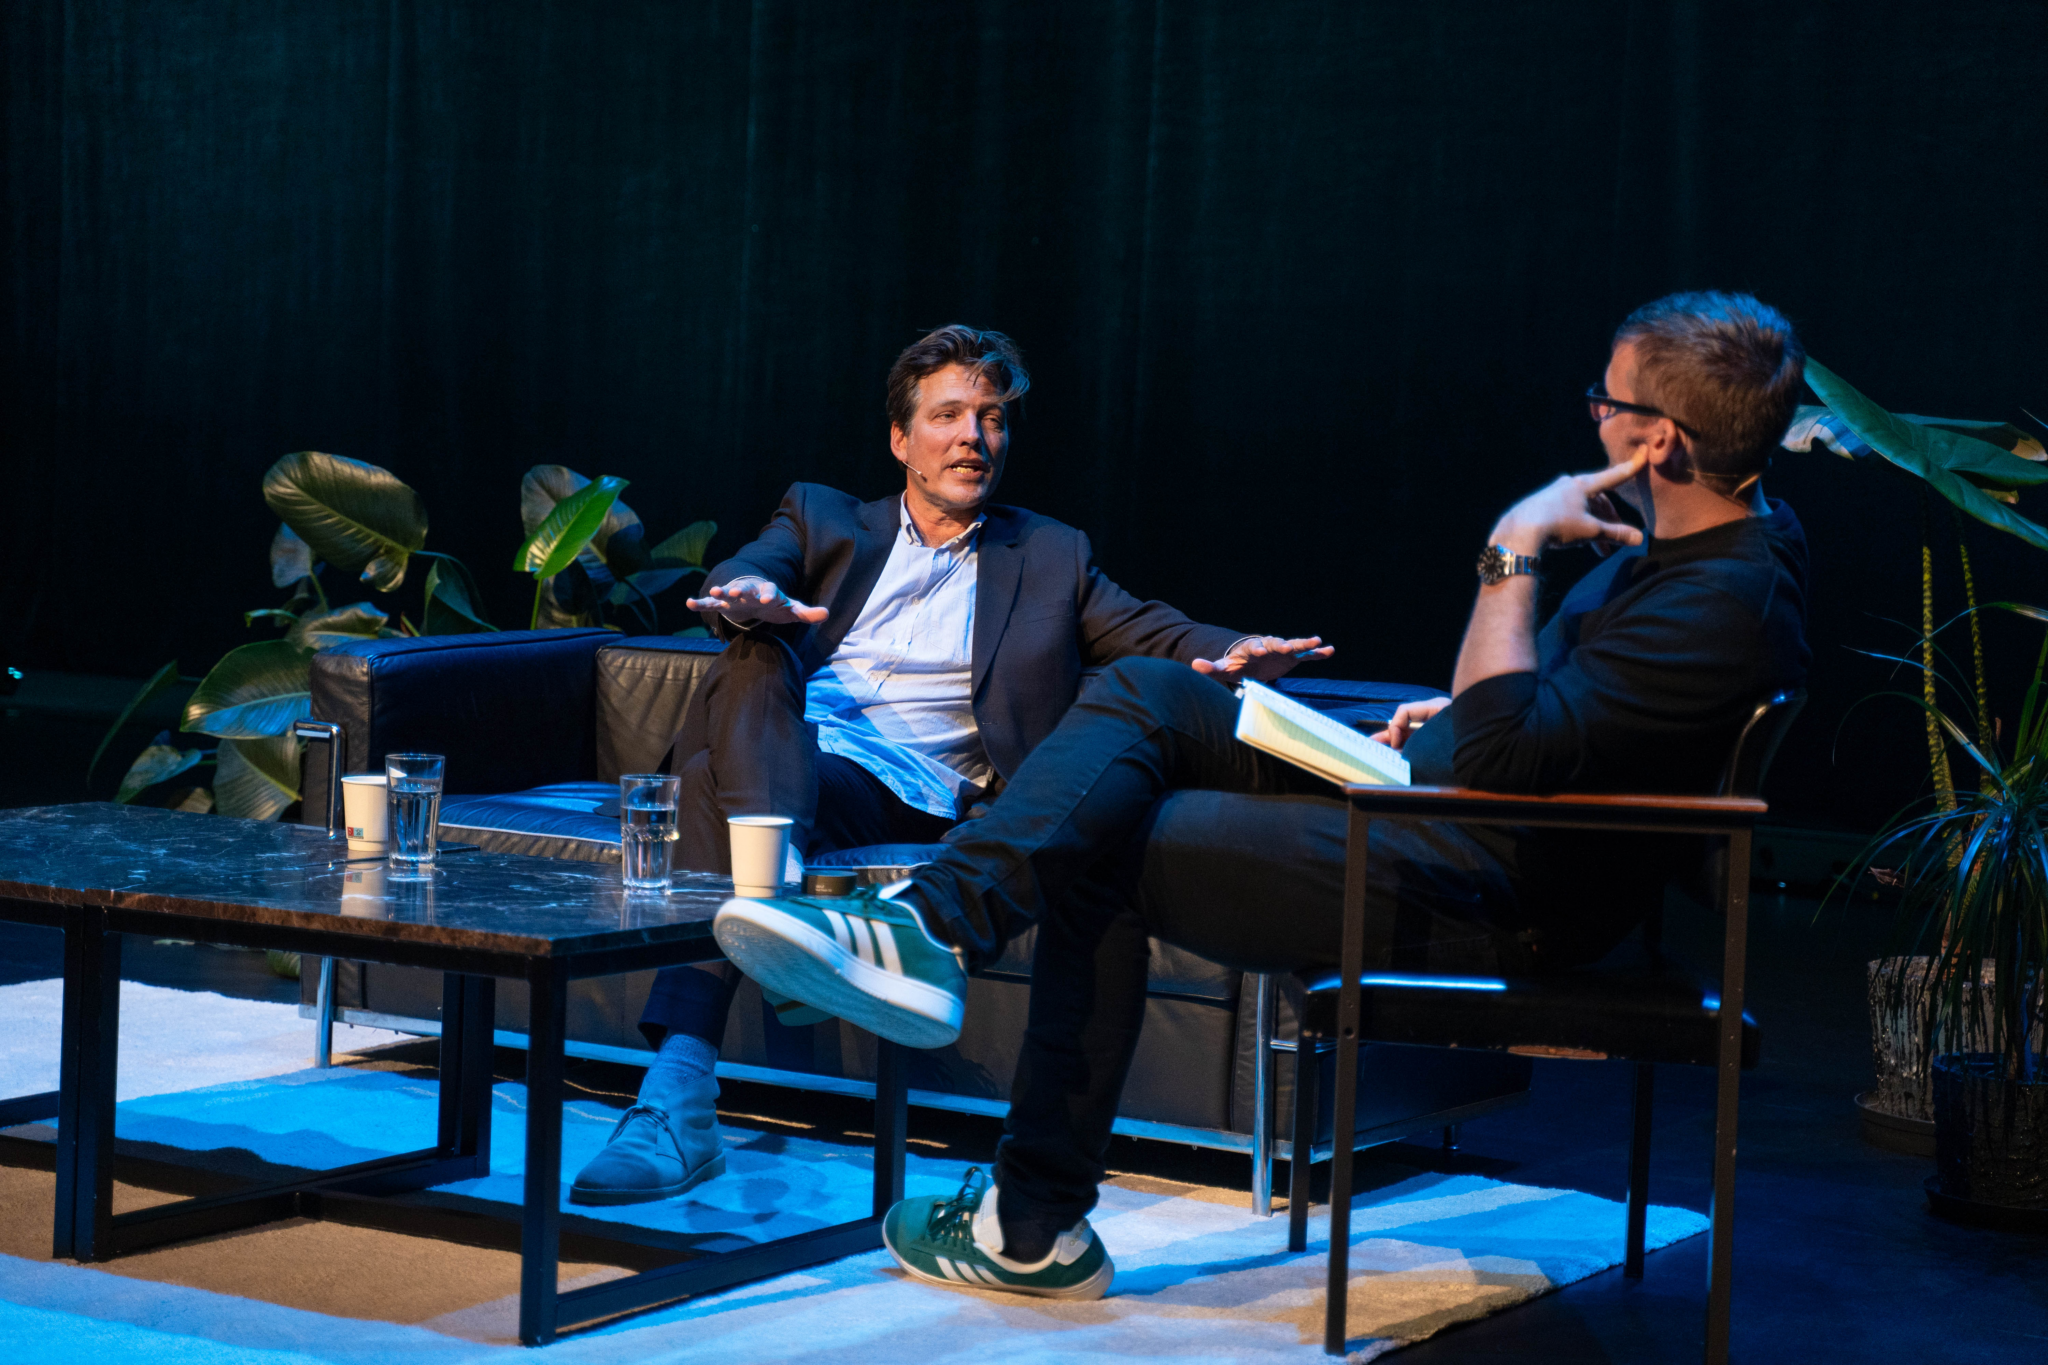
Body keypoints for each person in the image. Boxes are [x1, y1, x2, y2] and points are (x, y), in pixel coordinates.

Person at [711, 292, 1813, 1299]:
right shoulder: (1708, 543)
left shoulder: (1720, 597)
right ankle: (929, 933)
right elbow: (1549, 725)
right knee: (1149, 694)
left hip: (1496, 888)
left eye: (1603, 400)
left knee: (1106, 840)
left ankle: (1027, 1219)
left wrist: (1510, 549)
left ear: (1656, 439)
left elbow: (1507, 753)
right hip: (1463, 814)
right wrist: (1456, 712)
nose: (1591, 419)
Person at [570, 323, 1331, 1205]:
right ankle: (768, 937)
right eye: (950, 415)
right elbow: (754, 569)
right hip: (787, 755)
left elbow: (1153, 629)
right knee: (753, 655)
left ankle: (677, 1094)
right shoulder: (822, 517)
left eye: (993, 417)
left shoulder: (1048, 554)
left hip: (909, 790)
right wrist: (752, 596)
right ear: (903, 440)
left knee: (716, 776)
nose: (975, 436)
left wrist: (1237, 648)